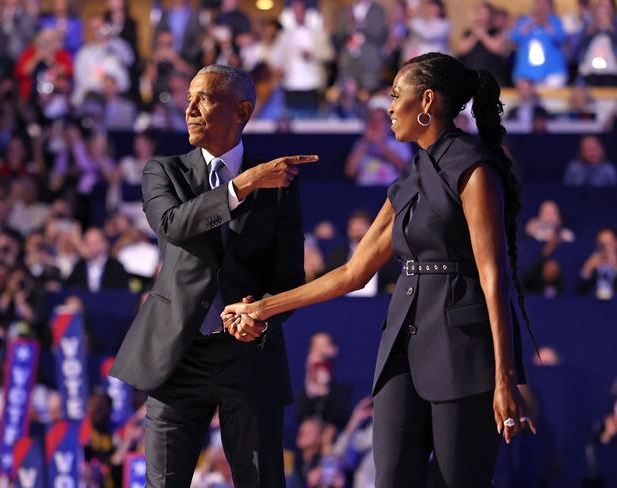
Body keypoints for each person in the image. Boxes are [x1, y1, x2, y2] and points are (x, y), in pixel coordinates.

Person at [223, 53, 536, 487]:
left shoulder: (473, 167)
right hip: (402, 345)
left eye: (395, 95)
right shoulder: (411, 174)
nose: (388, 107)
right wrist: (264, 307)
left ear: (426, 101)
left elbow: (492, 275)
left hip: (464, 348)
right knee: (389, 477)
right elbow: (353, 272)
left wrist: (505, 376)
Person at [110, 64, 316, 486]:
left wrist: (261, 316)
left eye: (203, 98)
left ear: (241, 111)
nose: (189, 109)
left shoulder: (281, 184)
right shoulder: (163, 171)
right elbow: (172, 224)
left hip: (249, 354)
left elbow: (289, 274)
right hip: (177, 355)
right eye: (188, 99)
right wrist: (244, 185)